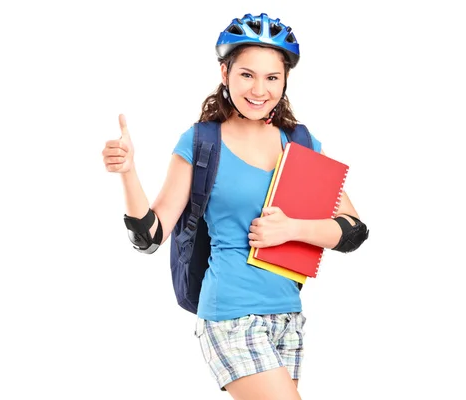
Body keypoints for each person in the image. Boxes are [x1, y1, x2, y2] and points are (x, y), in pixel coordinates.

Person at [101, 12, 368, 400]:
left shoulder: (301, 143)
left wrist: (293, 229)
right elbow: (149, 235)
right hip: (230, 311)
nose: (259, 89)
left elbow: (353, 230)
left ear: (285, 81)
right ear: (225, 73)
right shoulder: (201, 142)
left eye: (271, 77)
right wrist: (128, 172)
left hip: (288, 315)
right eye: (247, 74)